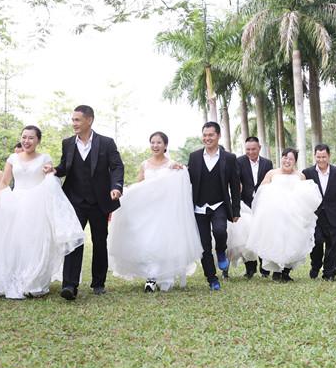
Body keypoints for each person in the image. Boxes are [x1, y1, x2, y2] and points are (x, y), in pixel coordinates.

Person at [0, 126, 85, 299]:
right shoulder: (13, 158)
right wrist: (4, 199)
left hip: (37, 205)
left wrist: (49, 175)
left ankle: (33, 281)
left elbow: (49, 181)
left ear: (38, 140)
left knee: (35, 244)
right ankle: (16, 279)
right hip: (16, 203)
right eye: (24, 137)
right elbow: (4, 182)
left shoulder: (45, 158)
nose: (27, 141)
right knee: (15, 243)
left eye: (31, 138)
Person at [108, 132, 201, 292]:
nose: (155, 145)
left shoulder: (172, 164)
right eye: (153, 142)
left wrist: (180, 170)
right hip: (148, 211)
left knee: (163, 243)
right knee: (148, 243)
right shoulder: (145, 164)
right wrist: (126, 194)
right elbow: (139, 186)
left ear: (165, 145)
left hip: (165, 212)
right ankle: (151, 277)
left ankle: (164, 275)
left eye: (159, 142)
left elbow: (179, 183)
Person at [50, 105, 124, 300]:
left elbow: (117, 166)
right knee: (73, 240)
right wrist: (54, 171)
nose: (73, 123)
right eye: (73, 120)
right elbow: (65, 166)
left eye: (77, 120)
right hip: (74, 200)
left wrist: (116, 187)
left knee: (99, 242)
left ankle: (98, 283)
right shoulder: (67, 143)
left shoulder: (106, 143)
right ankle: (69, 285)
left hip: (99, 201)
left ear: (89, 120)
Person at [247, 148, 321, 282]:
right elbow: (261, 192)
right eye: (285, 158)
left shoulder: (300, 176)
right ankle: (276, 271)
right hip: (275, 215)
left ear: (295, 161)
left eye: (291, 159)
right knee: (276, 241)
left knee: (292, 241)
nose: (287, 161)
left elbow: (306, 196)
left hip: (294, 216)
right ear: (281, 158)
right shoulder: (272, 173)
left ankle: (286, 271)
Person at [188, 122, 241, 291]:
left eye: (211, 135)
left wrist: (236, 210)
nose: (207, 138)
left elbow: (235, 186)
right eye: (205, 135)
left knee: (219, 231)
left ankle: (221, 251)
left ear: (218, 136)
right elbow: (188, 179)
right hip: (199, 207)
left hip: (220, 205)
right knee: (204, 247)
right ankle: (212, 278)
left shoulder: (229, 158)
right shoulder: (194, 157)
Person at [302, 144, 336, 282]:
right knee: (317, 241)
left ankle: (329, 272)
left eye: (324, 157)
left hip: (333, 213)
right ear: (314, 156)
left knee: (333, 244)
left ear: (329, 156)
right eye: (318, 157)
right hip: (315, 215)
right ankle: (315, 265)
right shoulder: (307, 173)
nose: (321, 160)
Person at [235, 136, 273, 278]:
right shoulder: (239, 161)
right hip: (245, 204)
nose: (250, 152)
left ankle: (265, 268)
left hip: (262, 204)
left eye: (253, 149)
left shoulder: (267, 163)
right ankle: (250, 269)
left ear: (259, 148)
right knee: (247, 236)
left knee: (263, 234)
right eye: (248, 149)